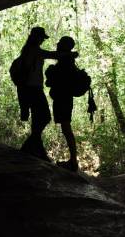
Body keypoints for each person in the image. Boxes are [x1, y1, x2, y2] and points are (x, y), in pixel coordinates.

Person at [14, 27, 77, 162]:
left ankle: (36, 150)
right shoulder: (33, 50)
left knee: (38, 119)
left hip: (30, 89)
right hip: (32, 89)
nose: (43, 40)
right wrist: (70, 54)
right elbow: (53, 55)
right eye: (42, 37)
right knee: (44, 117)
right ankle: (29, 148)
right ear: (36, 37)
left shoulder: (28, 50)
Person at [45, 36, 79, 172]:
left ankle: (73, 162)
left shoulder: (65, 61)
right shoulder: (67, 59)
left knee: (66, 128)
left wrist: (50, 74)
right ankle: (73, 161)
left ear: (64, 45)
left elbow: (58, 81)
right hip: (64, 98)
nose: (57, 44)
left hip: (63, 99)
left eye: (60, 42)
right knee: (66, 128)